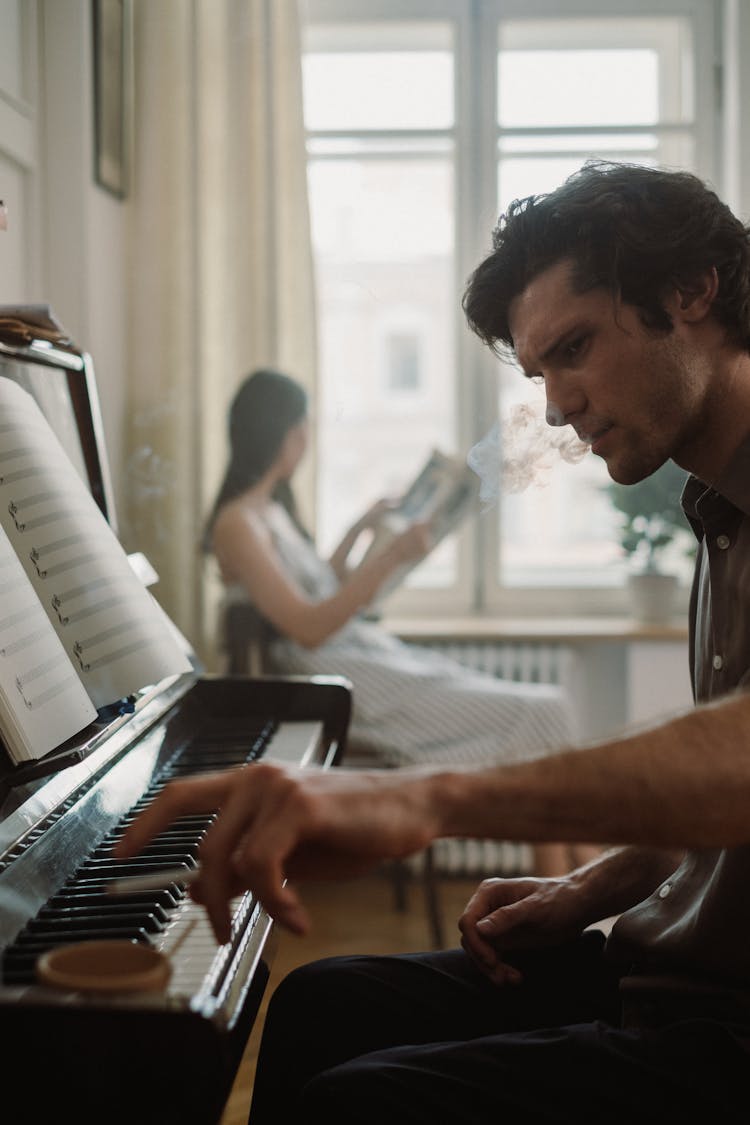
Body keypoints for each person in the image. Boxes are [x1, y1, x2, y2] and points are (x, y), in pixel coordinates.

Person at [116, 160, 750, 1124]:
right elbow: (717, 807)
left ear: (692, 290)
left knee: (357, 1102)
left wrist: (423, 794)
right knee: (319, 1003)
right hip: (671, 970)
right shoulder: (717, 511)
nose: (556, 407)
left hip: (728, 1022)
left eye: (574, 348)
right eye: (540, 372)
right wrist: (583, 888)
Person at [205, 367, 585, 874]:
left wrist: (363, 529)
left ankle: (576, 890)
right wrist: (389, 557)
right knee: (542, 713)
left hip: (355, 655)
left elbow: (323, 589)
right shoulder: (238, 522)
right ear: (288, 433)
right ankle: (572, 895)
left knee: (545, 719)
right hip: (336, 676)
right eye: (305, 429)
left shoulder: (270, 510)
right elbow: (307, 625)